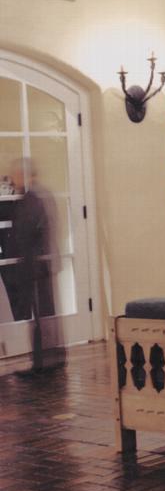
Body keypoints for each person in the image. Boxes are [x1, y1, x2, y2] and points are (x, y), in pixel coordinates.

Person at [8, 158, 64, 374]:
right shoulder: (43, 194)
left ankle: (44, 364)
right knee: (45, 314)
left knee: (41, 315)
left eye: (15, 175)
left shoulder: (32, 198)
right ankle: (48, 361)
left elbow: (27, 234)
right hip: (44, 263)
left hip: (37, 266)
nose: (13, 180)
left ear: (23, 174)